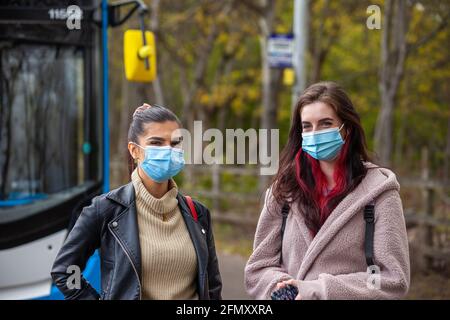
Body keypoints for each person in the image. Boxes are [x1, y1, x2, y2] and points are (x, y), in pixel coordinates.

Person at [244, 81, 410, 300]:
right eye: (307, 126)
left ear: (347, 129)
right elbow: (258, 268)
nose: (314, 133)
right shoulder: (283, 191)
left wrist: (318, 290)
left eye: (325, 123)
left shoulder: (380, 193)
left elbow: (392, 279)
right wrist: (285, 289)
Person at [51, 103, 222, 300]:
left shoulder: (198, 214)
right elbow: (65, 270)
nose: (168, 150)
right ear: (134, 150)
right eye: (156, 143)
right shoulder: (105, 209)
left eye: (175, 143)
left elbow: (212, 286)